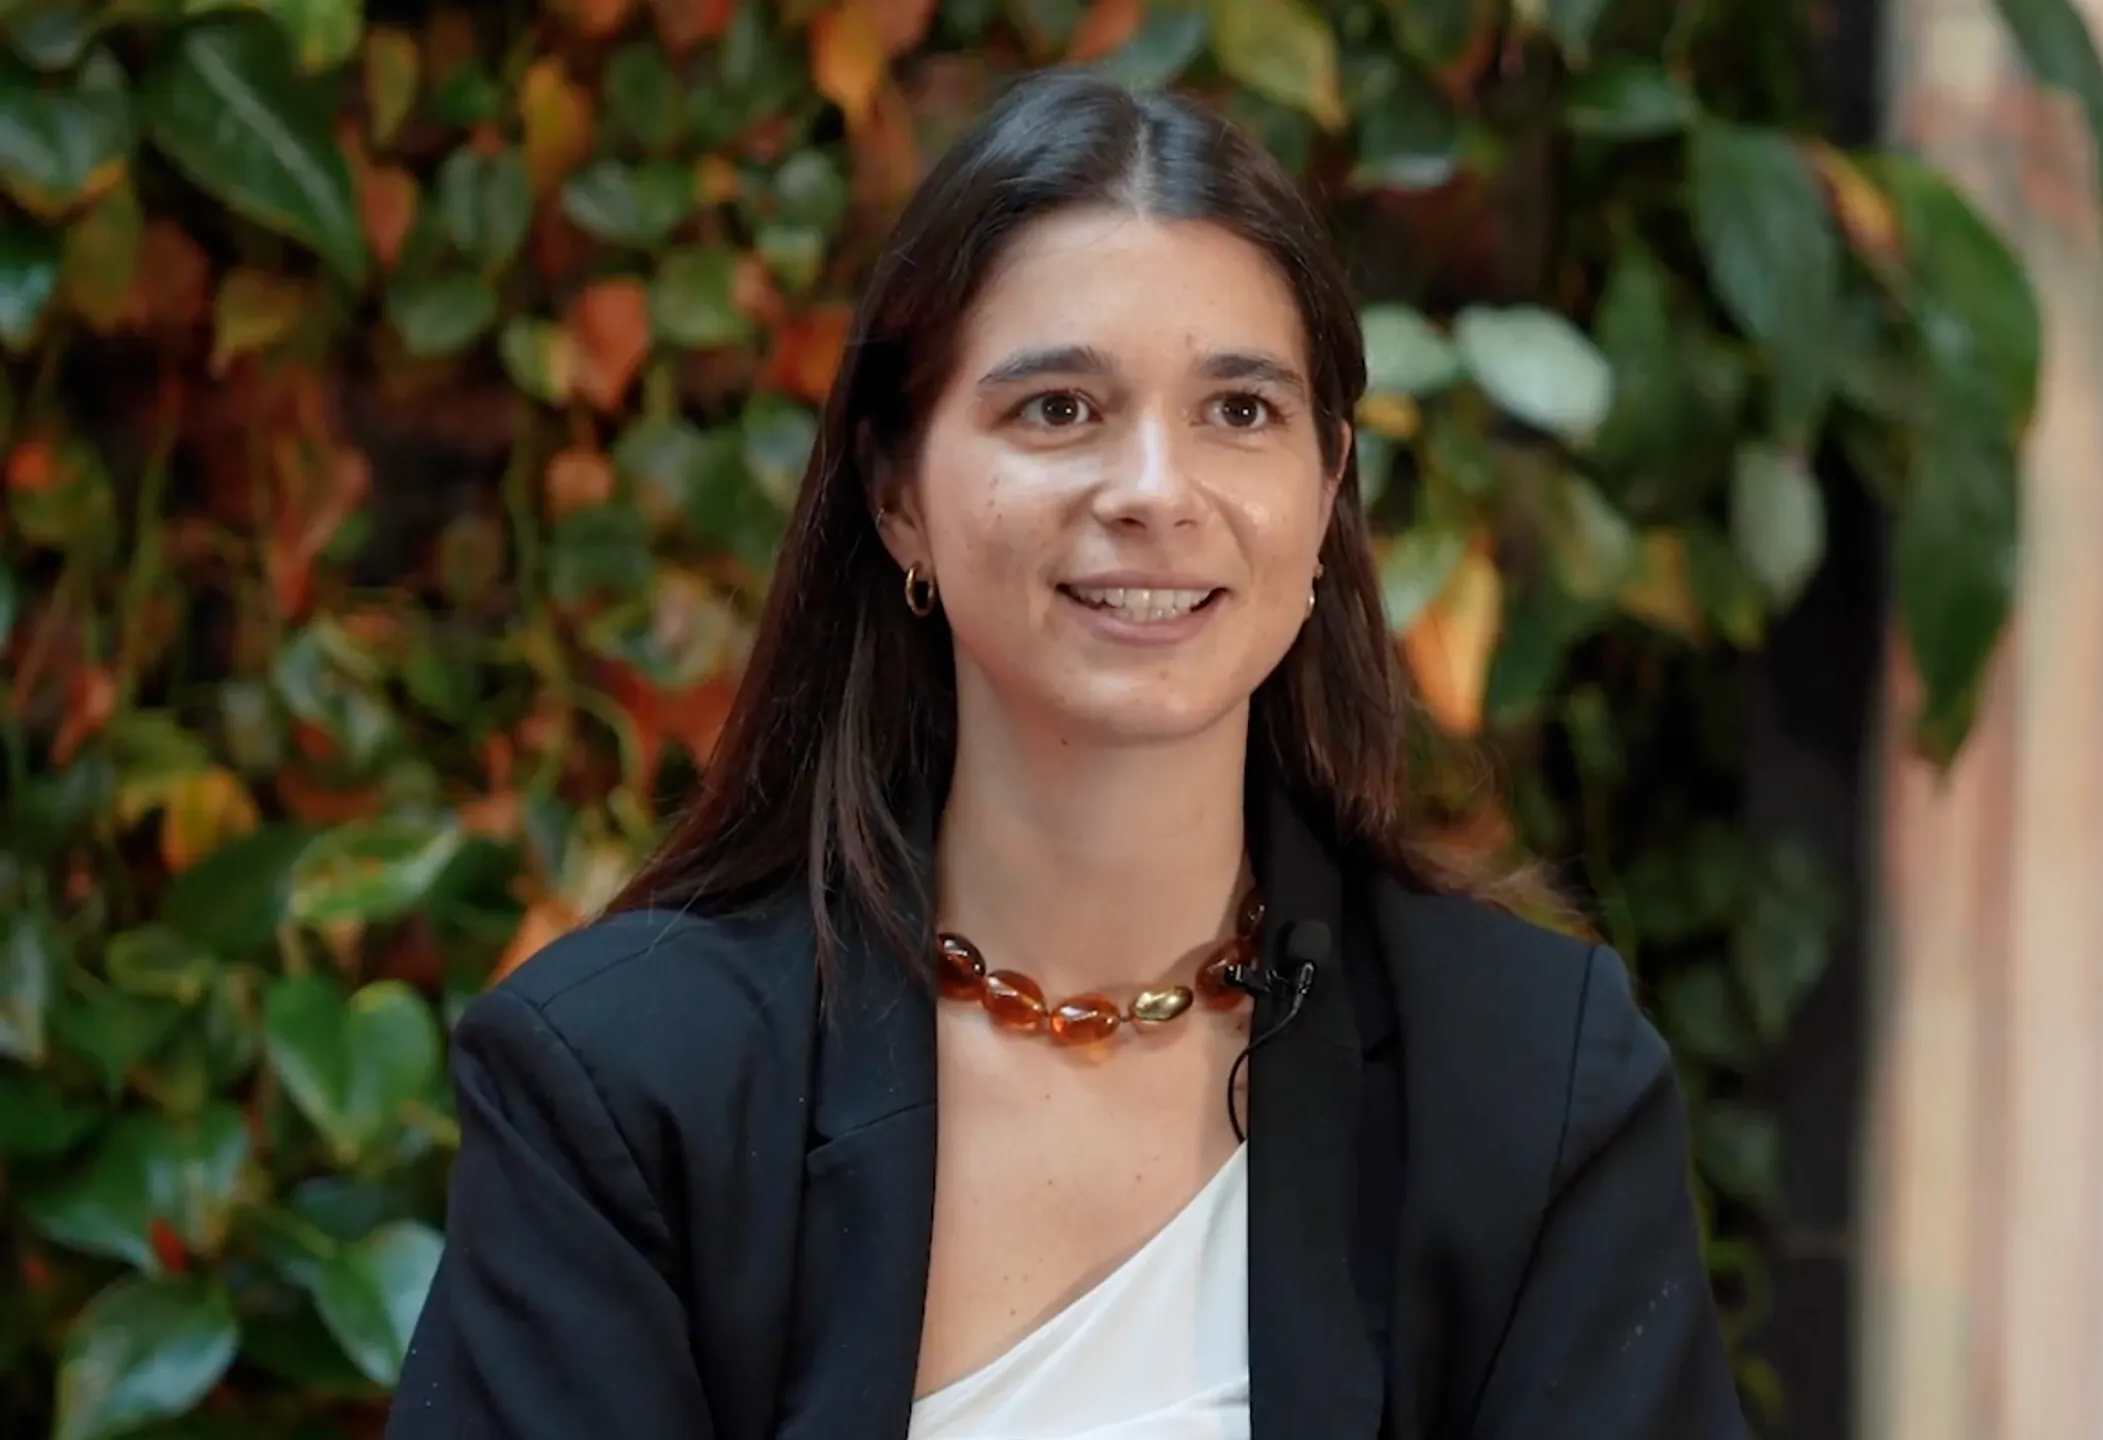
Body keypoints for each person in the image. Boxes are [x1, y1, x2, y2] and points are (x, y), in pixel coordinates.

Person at [385, 67, 1746, 1440]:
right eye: (1057, 410)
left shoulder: (1525, 1074)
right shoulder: (628, 1084)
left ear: (1328, 489)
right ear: (896, 492)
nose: (1155, 492)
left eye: (1238, 412)